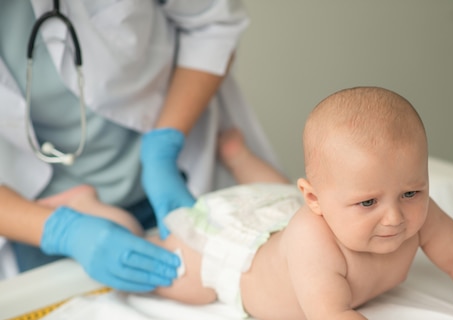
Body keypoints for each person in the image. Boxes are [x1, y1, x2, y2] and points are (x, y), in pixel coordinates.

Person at [45, 87, 453, 320]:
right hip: (232, 257)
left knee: (271, 195)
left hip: (274, 211)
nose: (394, 217)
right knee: (166, 267)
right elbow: (332, 316)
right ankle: (92, 211)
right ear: (317, 202)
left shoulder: (409, 209)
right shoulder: (313, 237)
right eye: (369, 203)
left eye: (411, 192)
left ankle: (238, 157)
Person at [0, 1, 280, 292]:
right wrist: (64, 231)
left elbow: (212, 23)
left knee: (185, 268)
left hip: (171, 160)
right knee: (190, 278)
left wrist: (163, 147)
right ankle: (80, 207)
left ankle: (85, 203)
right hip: (33, 203)